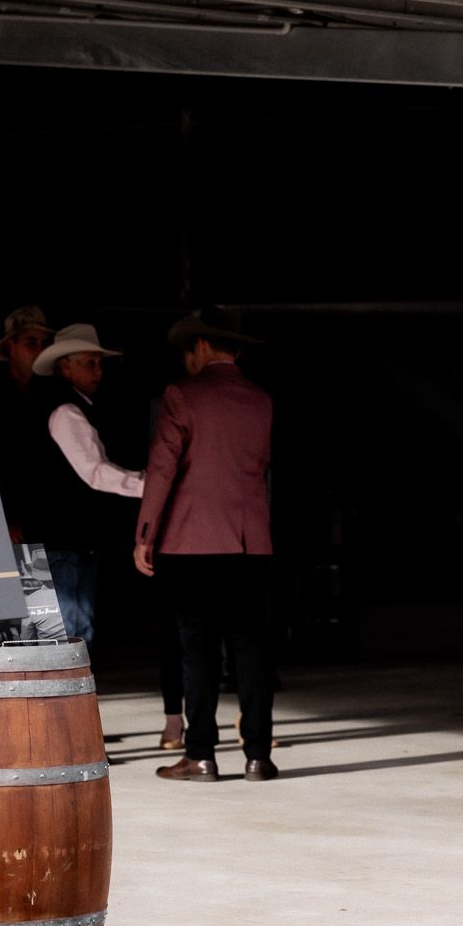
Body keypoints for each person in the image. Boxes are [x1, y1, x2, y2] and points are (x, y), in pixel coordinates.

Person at [134, 307, 277, 784]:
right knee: (251, 651)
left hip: (192, 543)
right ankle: (258, 756)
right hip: (250, 543)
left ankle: (201, 756)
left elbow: (161, 470)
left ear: (199, 347)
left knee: (197, 652)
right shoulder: (261, 400)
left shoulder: (182, 394)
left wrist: (146, 535)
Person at [31, 322, 144, 647]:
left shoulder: (61, 405)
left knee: (49, 637)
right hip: (62, 542)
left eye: (98, 363)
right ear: (65, 366)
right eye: (89, 362)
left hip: (51, 540)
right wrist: (145, 485)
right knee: (70, 636)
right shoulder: (67, 410)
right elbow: (95, 471)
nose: (98, 370)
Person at [0, 304, 56, 543]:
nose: (39, 350)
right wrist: (0, 519)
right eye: (31, 342)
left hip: (40, 520)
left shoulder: (48, 391)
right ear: (11, 345)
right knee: (24, 577)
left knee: (38, 579)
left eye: (44, 344)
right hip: (1, 519)